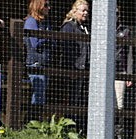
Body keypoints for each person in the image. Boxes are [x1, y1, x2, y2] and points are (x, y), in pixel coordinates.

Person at [60, 0, 90, 132]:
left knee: (81, 99)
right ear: (75, 11)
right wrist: (70, 67)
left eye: (87, 11)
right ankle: (69, 128)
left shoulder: (84, 27)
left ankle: (80, 129)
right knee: (73, 99)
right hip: (73, 69)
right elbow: (66, 48)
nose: (85, 13)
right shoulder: (68, 26)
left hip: (83, 69)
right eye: (83, 10)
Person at [25, 0, 53, 121]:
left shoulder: (45, 23)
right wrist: (48, 37)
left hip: (44, 63)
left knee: (41, 95)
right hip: (34, 63)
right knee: (38, 94)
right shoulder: (31, 21)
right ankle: (32, 122)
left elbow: (54, 42)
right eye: (46, 5)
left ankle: (36, 121)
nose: (49, 8)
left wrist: (47, 37)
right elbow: (34, 43)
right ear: (39, 6)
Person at [115, 7, 133, 139]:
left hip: (120, 71)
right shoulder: (100, 27)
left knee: (119, 104)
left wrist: (129, 73)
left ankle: (118, 135)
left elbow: (129, 53)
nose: (115, 15)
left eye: (116, 13)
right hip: (103, 72)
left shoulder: (125, 31)